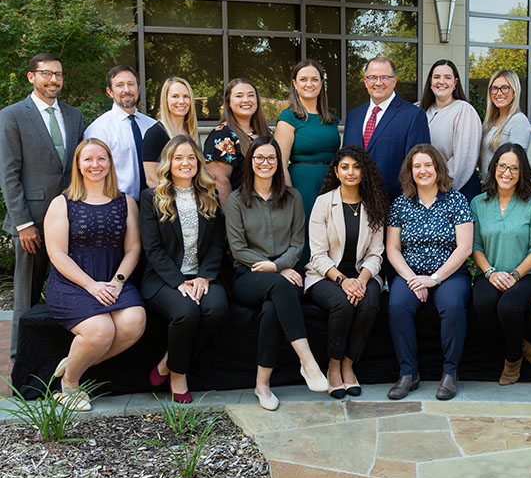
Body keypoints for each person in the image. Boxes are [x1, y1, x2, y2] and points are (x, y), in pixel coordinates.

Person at [43, 138, 146, 411]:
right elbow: (57, 254)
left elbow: (134, 248)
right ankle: (70, 383)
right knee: (101, 330)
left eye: (101, 159)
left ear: (110, 163)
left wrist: (117, 282)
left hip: (113, 279)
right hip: (72, 283)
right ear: (78, 165)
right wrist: (91, 286)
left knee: (134, 321)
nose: (95, 165)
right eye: (87, 159)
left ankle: (74, 363)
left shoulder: (125, 202)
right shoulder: (62, 203)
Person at [226, 136, 328, 410]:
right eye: (259, 158)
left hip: (287, 275)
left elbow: (298, 243)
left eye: (272, 158)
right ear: (250, 162)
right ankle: (307, 361)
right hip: (248, 276)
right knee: (276, 287)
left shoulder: (292, 197)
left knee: (273, 308)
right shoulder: (236, 200)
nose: (265, 163)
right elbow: (238, 249)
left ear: (279, 163)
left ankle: (262, 385)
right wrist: (273, 268)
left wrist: (280, 266)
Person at [0, 53, 83, 362]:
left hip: (71, 218)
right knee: (27, 292)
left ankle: (64, 355)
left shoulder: (74, 116)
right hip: (31, 222)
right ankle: (20, 358)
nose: (53, 80)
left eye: (58, 74)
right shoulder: (12, 115)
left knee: (69, 289)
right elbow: (8, 173)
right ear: (31, 77)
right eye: (46, 73)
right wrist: (23, 224)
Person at [140, 136, 228, 404]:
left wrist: (205, 276)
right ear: (168, 163)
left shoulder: (208, 194)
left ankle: (168, 362)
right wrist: (179, 282)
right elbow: (152, 248)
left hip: (202, 275)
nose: (185, 163)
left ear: (198, 162)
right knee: (187, 313)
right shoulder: (152, 198)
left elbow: (217, 243)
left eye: (190, 157)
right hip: (164, 278)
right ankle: (179, 374)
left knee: (217, 311)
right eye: (178, 158)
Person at [385, 144, 474, 401]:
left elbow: (464, 247)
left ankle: (449, 373)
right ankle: (408, 373)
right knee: (398, 306)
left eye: (428, 165)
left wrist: (434, 278)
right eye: (417, 166)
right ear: (410, 172)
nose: (423, 171)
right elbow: (392, 248)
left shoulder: (456, 199)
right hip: (410, 272)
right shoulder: (401, 203)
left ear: (437, 168)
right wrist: (413, 279)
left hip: (450, 272)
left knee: (453, 306)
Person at [305, 146, 388, 399]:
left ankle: (349, 365)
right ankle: (333, 365)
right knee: (342, 304)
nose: (350, 172)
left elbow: (376, 253)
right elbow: (317, 254)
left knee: (369, 303)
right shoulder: (323, 203)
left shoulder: (374, 204)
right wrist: (343, 281)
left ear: (364, 171)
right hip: (326, 275)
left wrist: (361, 281)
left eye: (356, 166)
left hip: (363, 274)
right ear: (336, 172)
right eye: (345, 167)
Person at [471, 143, 531, 385]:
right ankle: (523, 344)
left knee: (509, 307)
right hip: (490, 271)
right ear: (493, 168)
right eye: (502, 166)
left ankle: (512, 361)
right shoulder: (478, 203)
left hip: (526, 274)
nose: (507, 173)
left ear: (522, 172)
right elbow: (475, 247)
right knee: (482, 302)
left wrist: (514, 275)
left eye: (514, 168)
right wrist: (491, 272)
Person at [274, 59, 341, 263]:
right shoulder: (289, 117)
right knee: (306, 233)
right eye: (303, 79)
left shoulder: (331, 117)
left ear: (321, 84)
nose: (309, 84)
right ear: (295, 83)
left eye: (314, 79)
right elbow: (280, 162)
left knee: (332, 233)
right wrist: (289, 196)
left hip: (331, 184)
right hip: (302, 186)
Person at [342, 57, 430, 202]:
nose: (378, 82)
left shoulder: (413, 116)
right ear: (365, 82)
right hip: (355, 202)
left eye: (384, 77)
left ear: (394, 81)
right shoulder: (354, 116)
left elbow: (418, 166)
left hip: (394, 205)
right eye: (372, 77)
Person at [84, 65, 157, 201]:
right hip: (117, 203)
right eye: (119, 85)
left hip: (156, 203)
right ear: (110, 91)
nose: (126, 90)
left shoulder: (153, 126)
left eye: (131, 84)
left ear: (138, 88)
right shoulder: (99, 129)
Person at [204, 78, 272, 210]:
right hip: (243, 211)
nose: (246, 100)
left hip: (269, 208)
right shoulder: (222, 135)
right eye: (239, 96)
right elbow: (220, 182)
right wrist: (232, 219)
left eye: (251, 95)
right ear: (229, 102)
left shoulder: (265, 132)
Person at [419, 60, 482, 200]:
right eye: (436, 77)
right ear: (430, 81)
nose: (441, 82)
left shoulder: (464, 111)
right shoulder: (421, 111)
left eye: (447, 77)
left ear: (455, 83)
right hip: (427, 189)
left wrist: (439, 187)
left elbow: (463, 159)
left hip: (456, 189)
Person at [142, 77, 200, 188]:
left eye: (186, 96)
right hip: (166, 202)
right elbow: (152, 181)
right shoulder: (154, 134)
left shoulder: (192, 133)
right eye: (175, 96)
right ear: (166, 100)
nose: (181, 101)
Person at [480, 69, 531, 177]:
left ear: (514, 91)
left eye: (504, 88)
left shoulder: (519, 121)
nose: (499, 93)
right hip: (489, 189)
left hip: (506, 188)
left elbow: (516, 164)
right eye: (494, 88)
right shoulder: (491, 122)